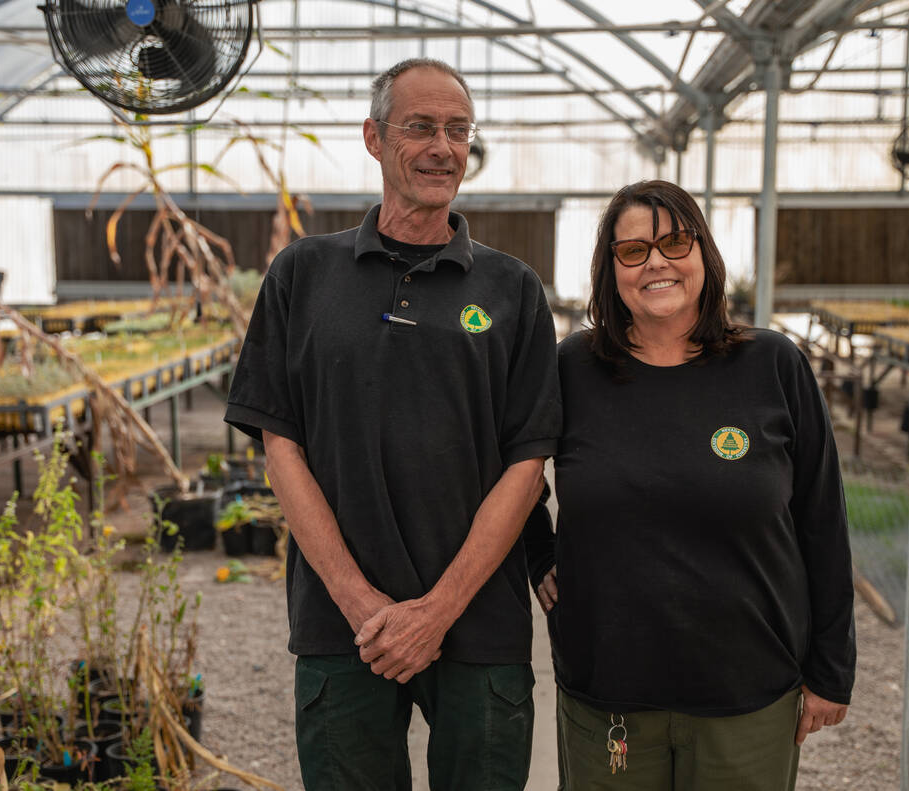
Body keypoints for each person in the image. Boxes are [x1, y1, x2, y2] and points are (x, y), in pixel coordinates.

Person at [224, 58, 562, 791]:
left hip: (478, 627)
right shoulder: (302, 275)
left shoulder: (513, 290)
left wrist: (435, 612)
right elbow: (281, 446)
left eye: (458, 130)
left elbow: (527, 464)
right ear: (374, 137)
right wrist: (360, 602)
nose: (443, 146)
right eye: (421, 127)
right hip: (342, 627)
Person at [525, 180, 855, 790]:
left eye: (675, 242)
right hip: (609, 689)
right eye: (633, 251)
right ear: (610, 270)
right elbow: (514, 467)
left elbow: (822, 520)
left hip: (748, 691)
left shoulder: (772, 365)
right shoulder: (572, 368)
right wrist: (539, 552)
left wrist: (831, 669)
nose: (656, 262)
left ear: (704, 254)